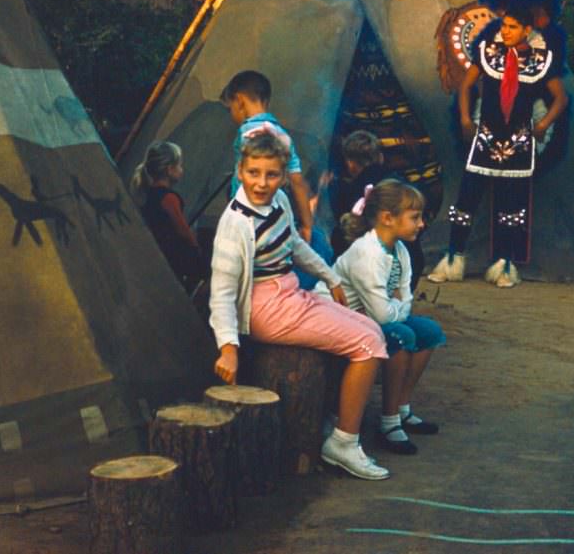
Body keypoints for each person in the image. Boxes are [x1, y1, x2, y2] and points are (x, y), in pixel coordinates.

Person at [209, 129, 391, 480]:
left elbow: (292, 244)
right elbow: (222, 293)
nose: (262, 183)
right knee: (369, 344)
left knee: (370, 327)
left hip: (290, 291)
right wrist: (228, 348)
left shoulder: (277, 203)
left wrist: (331, 277)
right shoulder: (235, 224)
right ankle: (344, 444)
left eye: (272, 174)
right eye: (253, 173)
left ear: (281, 175)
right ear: (240, 171)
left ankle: (332, 419)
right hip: (266, 307)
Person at [428, 2, 568, 288]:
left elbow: (561, 99)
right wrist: (466, 119)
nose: (505, 31)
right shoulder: (488, 52)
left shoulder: (541, 60)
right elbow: (467, 86)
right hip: (486, 136)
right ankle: (452, 259)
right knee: (467, 199)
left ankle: (504, 265)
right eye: (504, 26)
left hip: (518, 142)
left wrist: (542, 125)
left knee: (511, 205)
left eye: (513, 27)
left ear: (527, 30)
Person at [333, 179, 444, 456]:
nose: (421, 224)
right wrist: (395, 302)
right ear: (387, 218)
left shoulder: (400, 250)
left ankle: (402, 408)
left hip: (368, 315)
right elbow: (384, 313)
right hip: (342, 318)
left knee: (428, 331)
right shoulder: (367, 254)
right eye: (415, 217)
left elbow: (405, 297)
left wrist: (396, 302)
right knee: (400, 334)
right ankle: (389, 421)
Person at [222, 70, 321, 287]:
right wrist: (306, 224)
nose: (232, 114)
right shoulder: (282, 134)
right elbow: (297, 182)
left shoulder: (248, 132)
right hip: (275, 217)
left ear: (239, 101)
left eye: (230, 108)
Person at [329, 131, 426, 290]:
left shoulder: (353, 190)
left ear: (350, 163)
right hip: (410, 262)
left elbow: (342, 235)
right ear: (380, 157)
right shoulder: (401, 185)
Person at [131, 140, 206, 297]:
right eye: (179, 165)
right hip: (174, 258)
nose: (181, 169)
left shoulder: (148, 195)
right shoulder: (169, 198)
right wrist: (197, 249)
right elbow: (182, 230)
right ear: (169, 169)